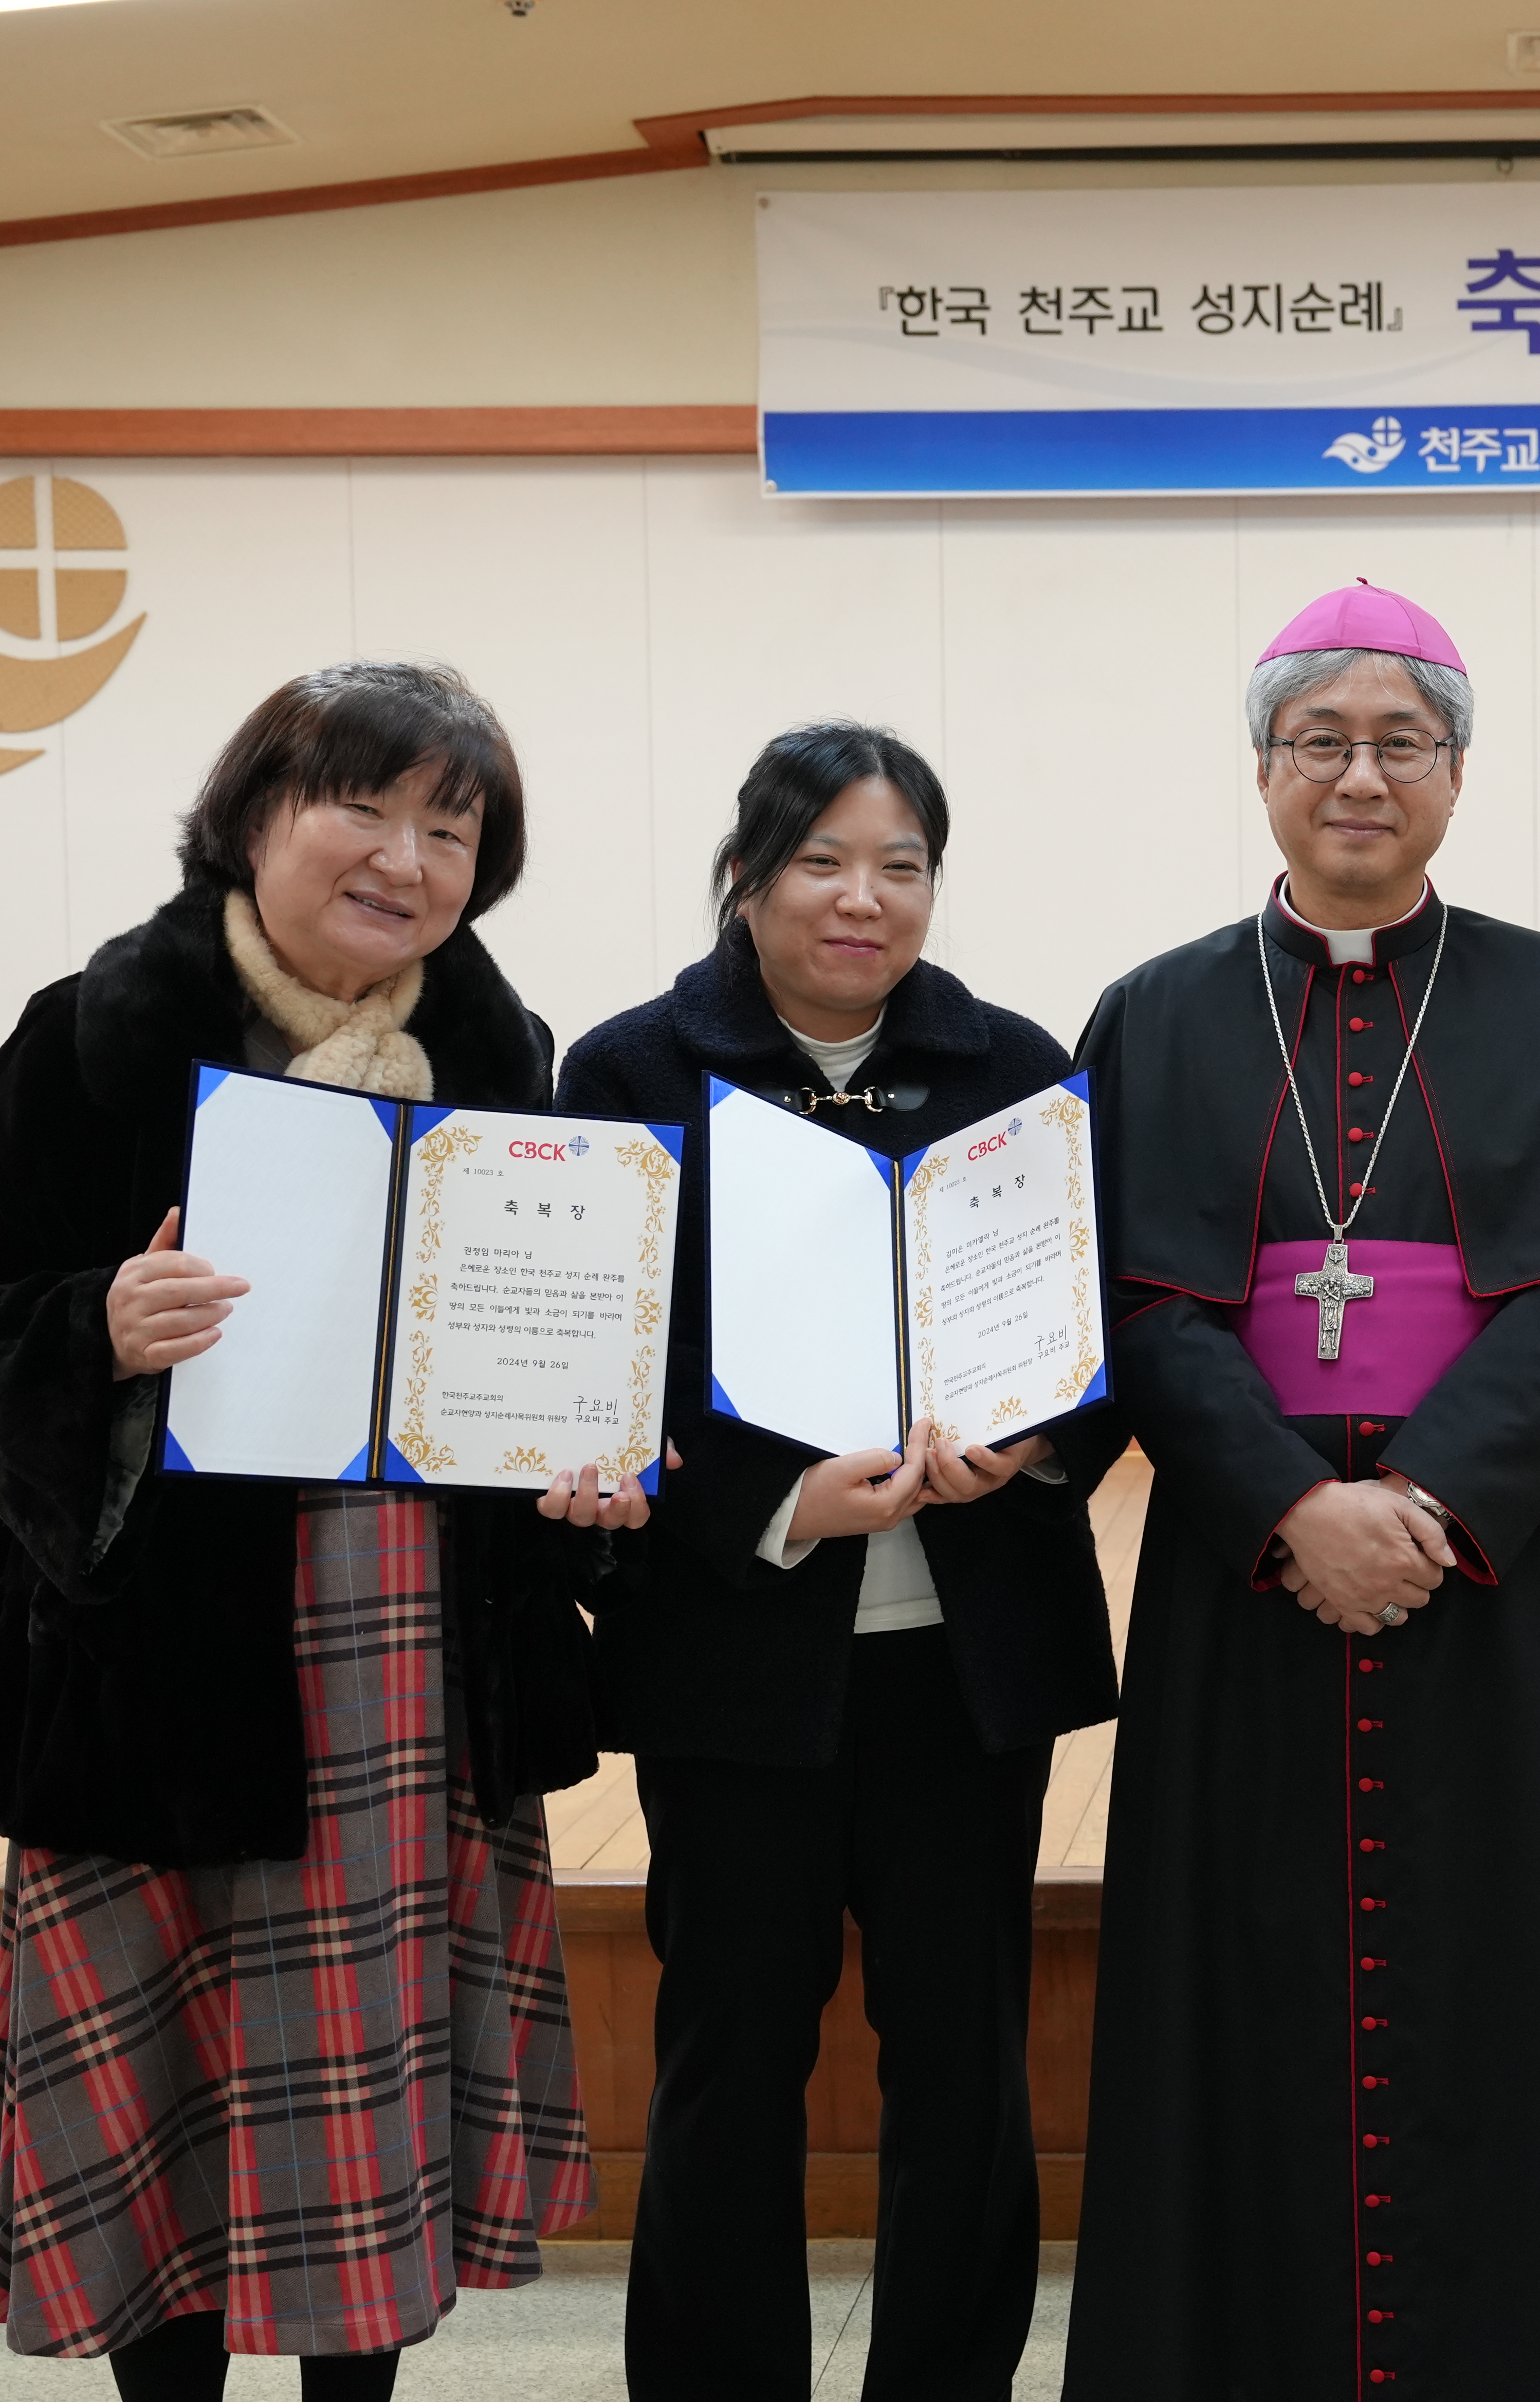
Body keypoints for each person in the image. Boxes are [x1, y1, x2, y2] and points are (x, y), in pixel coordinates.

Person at [0, 662, 640, 2398]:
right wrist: (92, 1321)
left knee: (360, 2075)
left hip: (405, 1643)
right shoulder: (97, 1031)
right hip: (160, 1651)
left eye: (448, 829)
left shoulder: (497, 1052)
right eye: (361, 809)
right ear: (253, 819)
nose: (404, 858)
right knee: (162, 2076)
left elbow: (540, 1339)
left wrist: (581, 1484)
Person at [1062, 580, 1540, 2400]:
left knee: (1484, 1973)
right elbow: (1139, 1299)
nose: (1362, 775)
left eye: (1402, 742)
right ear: (1262, 765)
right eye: (1321, 740)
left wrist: (1423, 1505)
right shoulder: (1162, 1007)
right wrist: (1291, 1510)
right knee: (1240, 1964)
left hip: (1485, 1566)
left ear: (1457, 773)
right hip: (1243, 1564)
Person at [555, 721, 1122, 2401]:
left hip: (969, 1655)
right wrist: (788, 1500)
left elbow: (1092, 1335)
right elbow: (609, 1358)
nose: (863, 900)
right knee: (734, 2053)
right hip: (738, 1653)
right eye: (823, 862)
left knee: (965, 2062)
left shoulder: (1013, 1065)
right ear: (746, 878)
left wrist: (1037, 1443)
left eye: (903, 866)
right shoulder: (634, 1070)